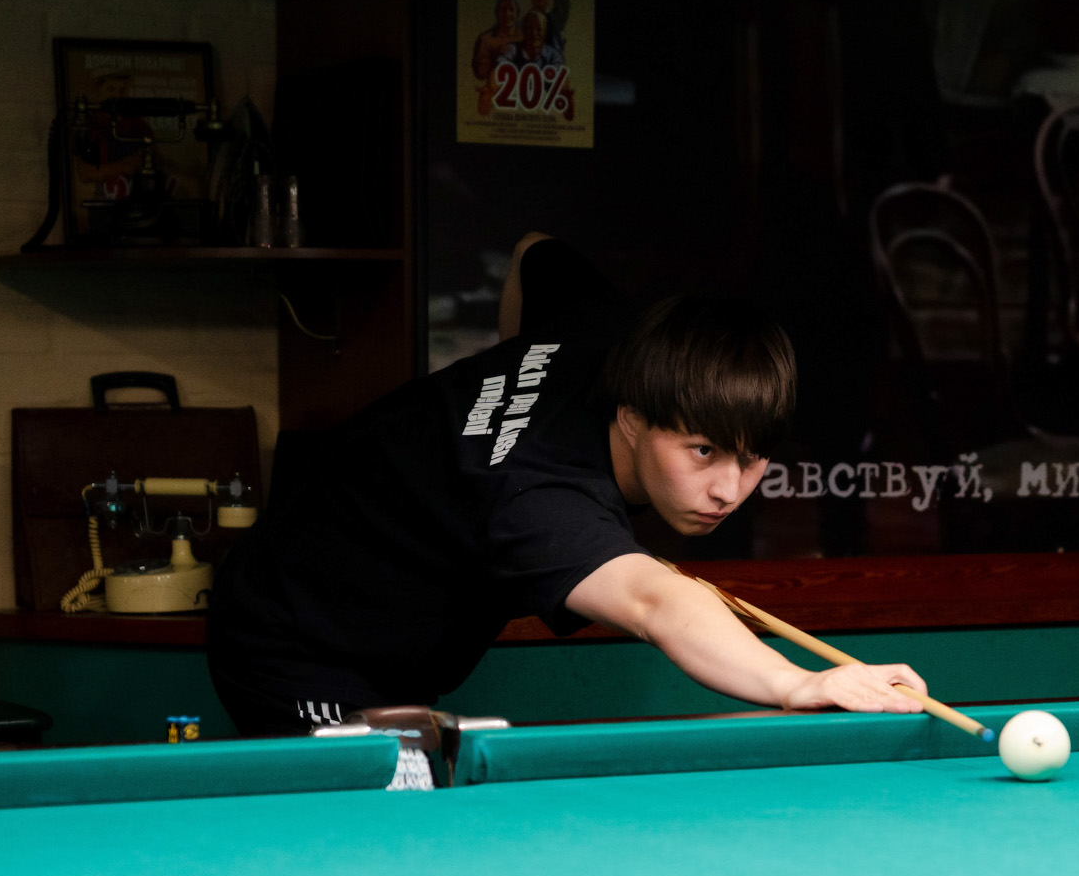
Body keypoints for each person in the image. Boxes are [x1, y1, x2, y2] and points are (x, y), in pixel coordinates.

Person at [207, 235, 929, 736]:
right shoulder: (540, 500)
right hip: (292, 641)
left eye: (753, 458)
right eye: (703, 451)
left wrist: (512, 369)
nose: (728, 489)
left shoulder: (614, 330)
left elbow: (534, 251)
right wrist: (798, 684)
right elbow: (657, 600)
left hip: (387, 629)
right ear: (632, 418)